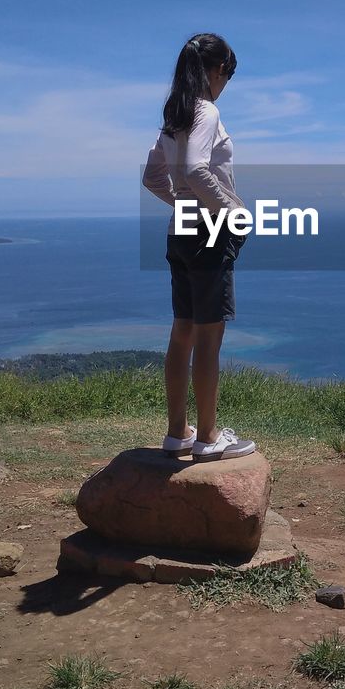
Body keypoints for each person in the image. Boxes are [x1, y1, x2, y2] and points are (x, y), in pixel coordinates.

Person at [142, 33, 257, 461]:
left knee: (183, 332)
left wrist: (183, 203)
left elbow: (154, 178)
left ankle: (178, 433)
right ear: (214, 70)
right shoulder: (207, 110)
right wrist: (234, 211)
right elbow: (195, 169)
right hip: (209, 231)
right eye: (227, 72)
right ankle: (208, 438)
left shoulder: (175, 115)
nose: (225, 81)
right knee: (209, 339)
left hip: (182, 230)